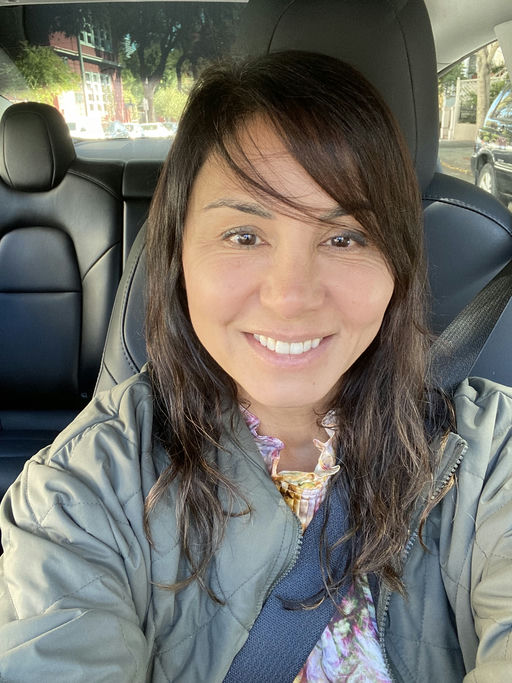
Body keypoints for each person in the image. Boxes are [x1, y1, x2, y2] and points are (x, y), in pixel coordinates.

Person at [0, 51, 511, 682]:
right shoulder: (81, 494)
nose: (291, 296)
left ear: (398, 267)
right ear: (177, 256)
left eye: (345, 237)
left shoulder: (492, 455)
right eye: (244, 235)